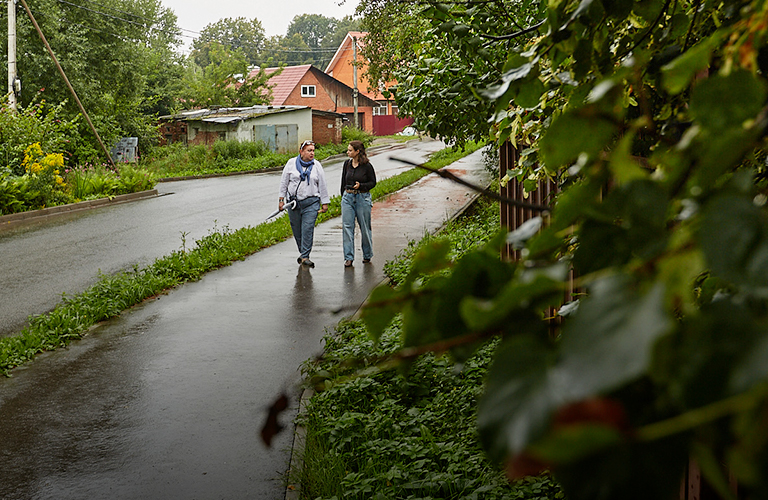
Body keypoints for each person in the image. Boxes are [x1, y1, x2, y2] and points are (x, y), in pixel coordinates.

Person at [278, 140, 329, 268]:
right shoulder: (291, 164)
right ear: (301, 151)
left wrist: (325, 202)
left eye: (313, 150)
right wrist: (281, 199)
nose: (312, 153)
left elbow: (322, 184)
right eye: (309, 150)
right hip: (294, 203)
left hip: (311, 202)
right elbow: (284, 182)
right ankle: (303, 252)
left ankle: (305, 256)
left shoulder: (317, 166)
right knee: (297, 230)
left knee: (307, 228)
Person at [340, 140, 376, 268]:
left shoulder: (367, 166)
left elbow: (373, 182)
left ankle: (367, 254)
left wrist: (361, 186)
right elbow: (343, 182)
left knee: (364, 227)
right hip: (348, 198)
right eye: (348, 150)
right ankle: (348, 257)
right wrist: (343, 196)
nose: (347, 152)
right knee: (347, 227)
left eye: (350, 150)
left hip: (362, 197)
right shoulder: (347, 164)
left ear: (357, 152)